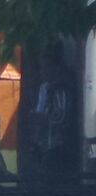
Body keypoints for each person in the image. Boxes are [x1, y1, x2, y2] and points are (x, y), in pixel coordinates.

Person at [32, 47, 75, 176]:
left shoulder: (61, 90)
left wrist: (44, 118)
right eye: (41, 67)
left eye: (46, 67)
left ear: (55, 68)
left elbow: (61, 117)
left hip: (58, 146)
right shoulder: (44, 88)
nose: (42, 71)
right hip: (43, 145)